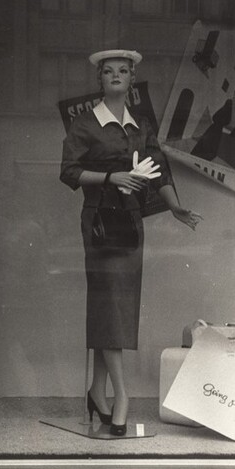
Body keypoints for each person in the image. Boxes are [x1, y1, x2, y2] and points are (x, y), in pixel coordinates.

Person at [60, 49, 202, 436]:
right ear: (100, 79)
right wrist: (112, 178)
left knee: (117, 308)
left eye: (123, 71)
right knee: (111, 308)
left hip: (131, 222)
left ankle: (97, 390)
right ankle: (121, 395)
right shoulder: (86, 124)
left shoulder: (141, 126)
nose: (116, 75)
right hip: (100, 223)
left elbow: (160, 172)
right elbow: (68, 171)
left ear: (131, 78)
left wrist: (175, 207)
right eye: (108, 71)